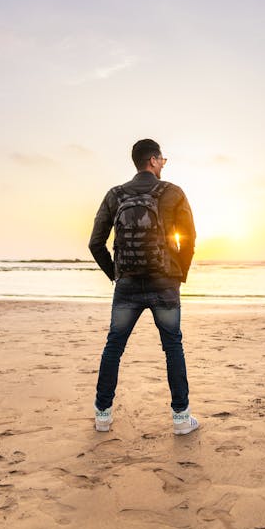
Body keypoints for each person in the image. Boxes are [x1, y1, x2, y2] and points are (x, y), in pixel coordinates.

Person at [89, 138, 199, 435]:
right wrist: (178, 273)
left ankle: (102, 416)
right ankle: (180, 419)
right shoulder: (173, 192)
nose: (164, 163)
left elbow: (95, 243)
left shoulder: (115, 194)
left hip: (127, 284)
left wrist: (117, 273)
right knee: (172, 347)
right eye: (162, 158)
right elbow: (188, 238)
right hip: (164, 282)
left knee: (114, 347)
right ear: (152, 160)